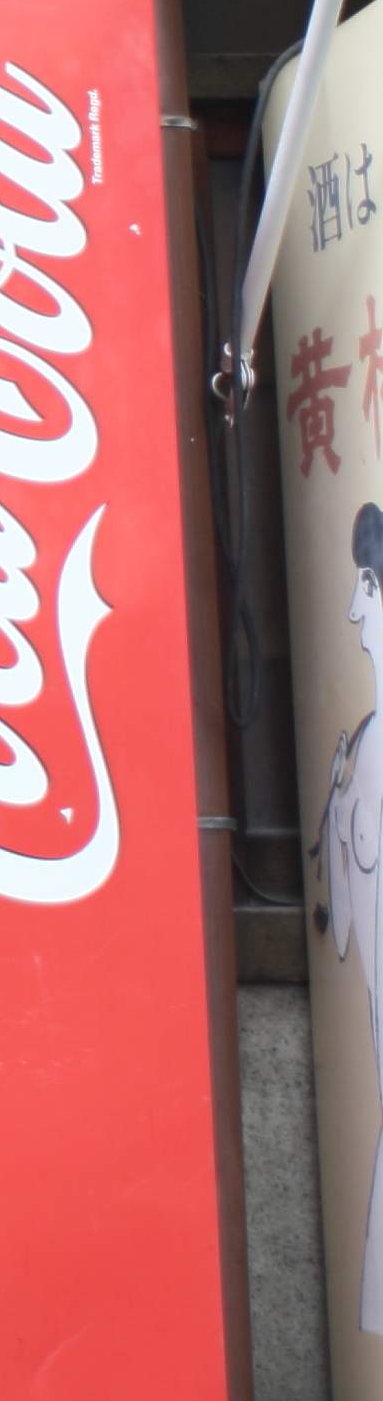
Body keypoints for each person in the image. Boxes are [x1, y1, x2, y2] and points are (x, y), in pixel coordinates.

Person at [312, 498, 383, 1332]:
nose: (350, 612)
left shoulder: (362, 758)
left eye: (360, 590)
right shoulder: (358, 755)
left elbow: (343, 939)